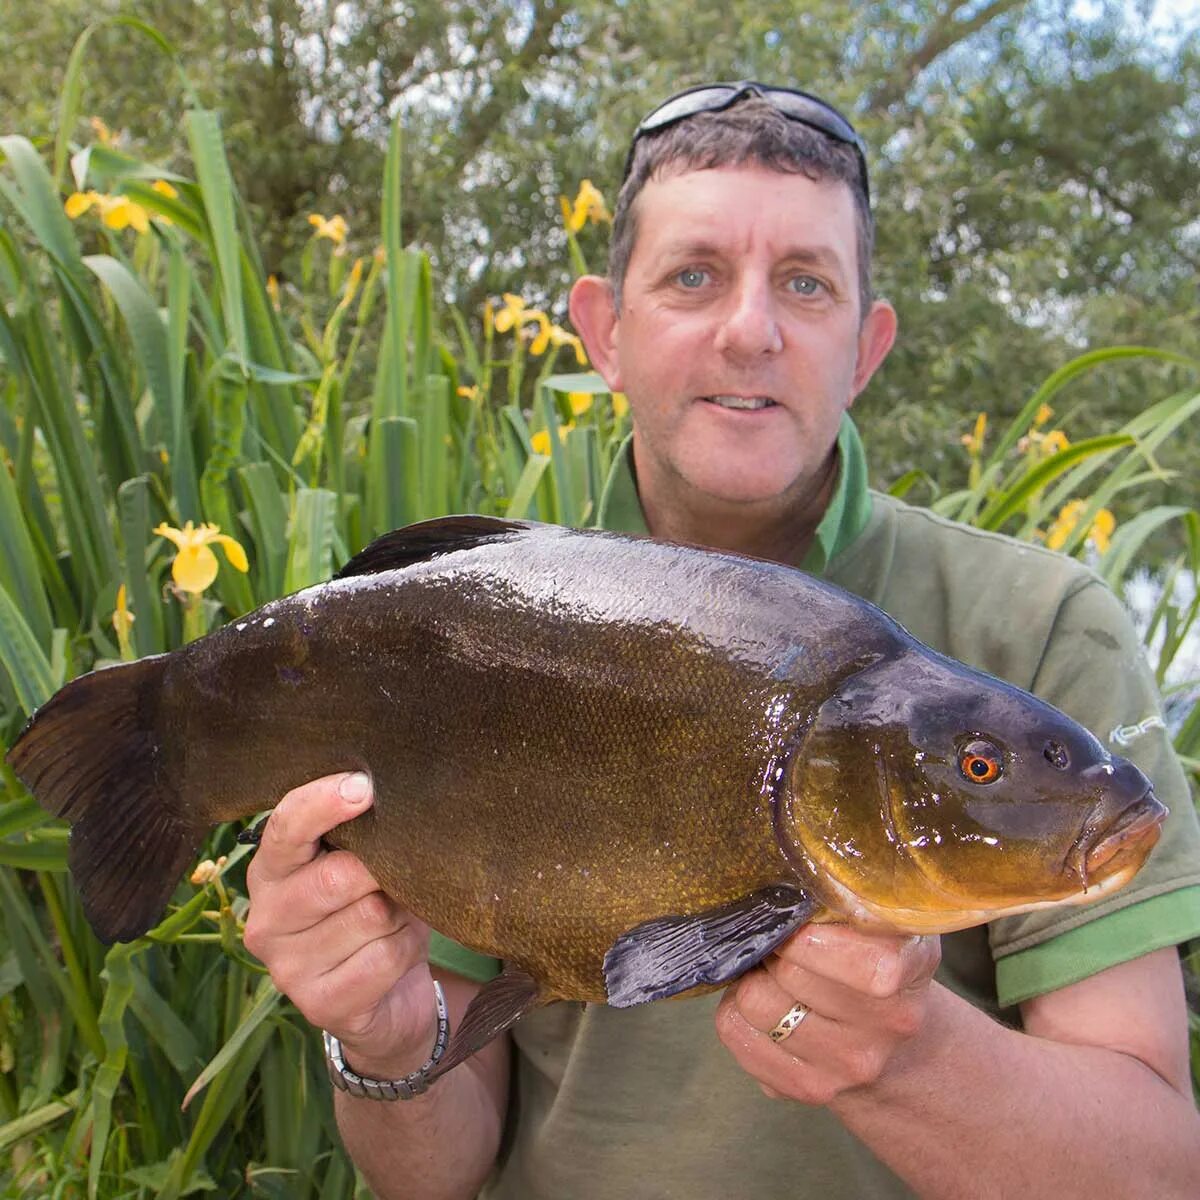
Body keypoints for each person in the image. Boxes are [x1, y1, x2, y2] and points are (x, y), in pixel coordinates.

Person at [243, 82, 1200, 1198]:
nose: (751, 331)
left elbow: (1157, 1177)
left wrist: (912, 1057)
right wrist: (391, 1040)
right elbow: (432, 1175)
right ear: (603, 330)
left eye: (806, 282)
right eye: (694, 276)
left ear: (866, 348)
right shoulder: (473, 630)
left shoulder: (1039, 626)